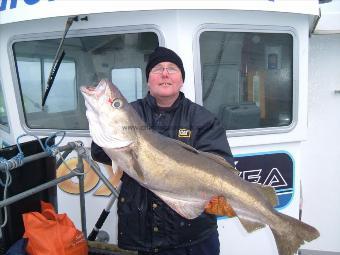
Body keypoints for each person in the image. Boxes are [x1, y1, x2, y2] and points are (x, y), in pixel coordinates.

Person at [91, 46, 234, 255]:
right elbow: (99, 151)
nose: (165, 73)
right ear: (148, 80)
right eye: (157, 68)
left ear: (181, 80)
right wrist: (101, 121)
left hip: (194, 238)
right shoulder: (133, 112)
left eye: (172, 68)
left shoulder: (203, 120)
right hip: (145, 236)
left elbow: (223, 165)